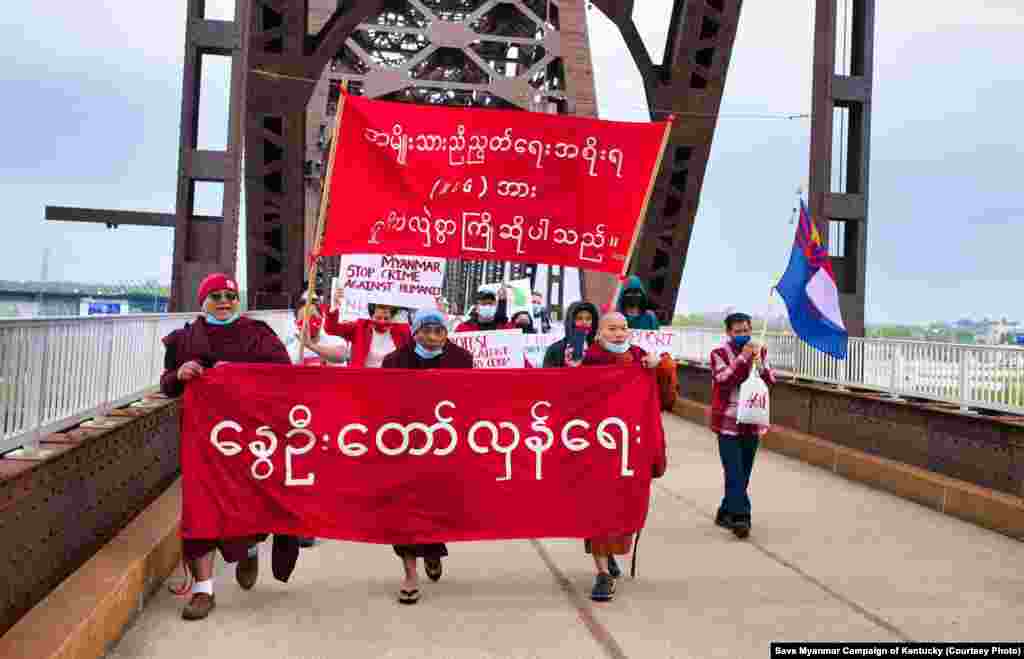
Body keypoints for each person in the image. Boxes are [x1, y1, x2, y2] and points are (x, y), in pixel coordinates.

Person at [160, 273, 300, 621]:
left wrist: (239, 371)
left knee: (248, 500)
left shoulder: (258, 334)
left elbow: (283, 374)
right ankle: (203, 591)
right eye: (216, 296)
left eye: (230, 296)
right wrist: (179, 374)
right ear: (203, 301)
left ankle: (248, 549)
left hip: (249, 437)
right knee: (201, 509)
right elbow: (166, 385)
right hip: (203, 442)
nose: (224, 302)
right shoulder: (183, 340)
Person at [382, 309, 474, 605]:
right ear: (415, 332)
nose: (432, 336)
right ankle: (410, 574)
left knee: (436, 506)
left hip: (444, 446)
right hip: (405, 445)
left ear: (446, 333)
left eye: (438, 330)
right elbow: (381, 402)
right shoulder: (393, 362)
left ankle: (433, 549)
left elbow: (472, 399)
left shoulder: (462, 360)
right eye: (426, 330)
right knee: (404, 512)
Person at [575, 312, 664, 602]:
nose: (619, 333)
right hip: (597, 445)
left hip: (630, 447)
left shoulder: (640, 357)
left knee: (624, 507)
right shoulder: (590, 359)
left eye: (623, 328)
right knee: (597, 509)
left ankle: (610, 552)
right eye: (612, 328)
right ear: (599, 333)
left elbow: (663, 394)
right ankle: (602, 573)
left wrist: (659, 365)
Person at [709, 312, 776, 539]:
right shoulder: (718, 354)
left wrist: (760, 364)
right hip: (728, 422)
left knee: (743, 472)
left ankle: (725, 511)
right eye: (738, 331)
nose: (743, 335)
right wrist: (742, 358)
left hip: (752, 421)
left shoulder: (760, 351)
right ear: (729, 332)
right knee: (734, 470)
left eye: (746, 330)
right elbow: (724, 381)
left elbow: (770, 381)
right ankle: (741, 517)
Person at [315, 289, 412, 367]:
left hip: (392, 379)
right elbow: (332, 329)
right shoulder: (360, 327)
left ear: (392, 317)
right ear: (371, 316)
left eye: (386, 318)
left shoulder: (403, 330)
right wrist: (334, 308)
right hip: (362, 378)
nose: (382, 321)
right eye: (378, 318)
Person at [286, 291, 348, 366]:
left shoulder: (335, 341)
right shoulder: (290, 350)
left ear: (321, 319)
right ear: (296, 323)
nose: (308, 323)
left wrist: (311, 345)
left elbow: (342, 356)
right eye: (304, 319)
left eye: (313, 317)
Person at [542, 301, 600, 368]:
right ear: (570, 321)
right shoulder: (554, 350)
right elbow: (548, 373)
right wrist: (568, 365)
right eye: (579, 318)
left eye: (588, 319)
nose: (584, 322)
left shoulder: (599, 348)